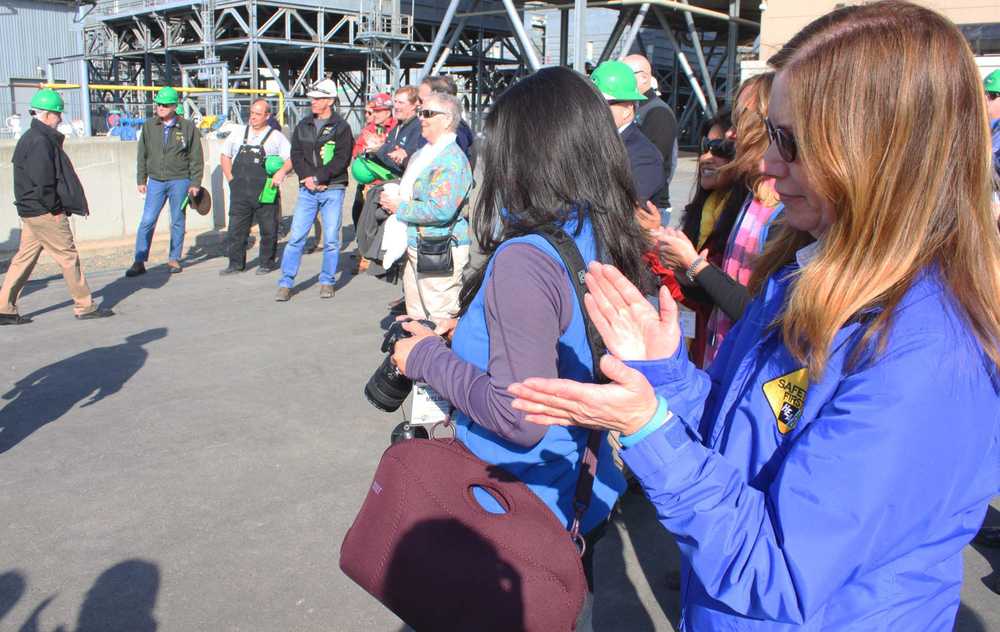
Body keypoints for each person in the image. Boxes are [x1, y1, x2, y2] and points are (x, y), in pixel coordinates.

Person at [508, 2, 1000, 629]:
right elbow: (746, 437)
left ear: (880, 154)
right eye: (771, 137)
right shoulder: (809, 272)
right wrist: (665, 377)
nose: (766, 164)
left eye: (791, 144)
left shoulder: (928, 357)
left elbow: (778, 572)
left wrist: (648, 430)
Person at [389, 66, 655, 628]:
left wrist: (427, 358)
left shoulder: (526, 258)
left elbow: (520, 414)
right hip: (583, 490)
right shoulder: (605, 228)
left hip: (517, 504)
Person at [659, 73, 783, 366]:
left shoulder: (783, 207)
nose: (731, 134)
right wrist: (683, 269)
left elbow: (761, 313)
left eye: (742, 120)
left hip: (749, 364)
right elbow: (718, 295)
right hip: (721, 357)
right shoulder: (751, 197)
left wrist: (695, 265)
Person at [0, 89, 113, 323]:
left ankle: (4, 307)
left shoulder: (29, 138)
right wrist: (55, 209)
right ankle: (85, 306)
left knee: (24, 258)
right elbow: (44, 182)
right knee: (68, 256)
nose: (60, 119)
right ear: (48, 114)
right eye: (58, 114)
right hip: (45, 211)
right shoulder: (41, 141)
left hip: (30, 210)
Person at [378, 91, 473, 320]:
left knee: (440, 317)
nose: (421, 117)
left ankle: (442, 355)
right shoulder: (424, 154)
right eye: (420, 112)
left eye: (428, 113)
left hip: (439, 247)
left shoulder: (451, 160)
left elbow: (441, 210)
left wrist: (399, 206)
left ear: (448, 119)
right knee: (417, 314)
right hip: (418, 244)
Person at [276, 79, 353, 301]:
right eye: (312, 98)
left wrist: (320, 177)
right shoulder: (303, 125)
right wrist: (307, 178)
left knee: (330, 239)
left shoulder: (341, 127)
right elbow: (296, 154)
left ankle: (327, 280)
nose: (313, 101)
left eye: (318, 98)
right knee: (297, 237)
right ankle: (286, 282)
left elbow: (342, 159)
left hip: (332, 188)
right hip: (307, 189)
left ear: (329, 100)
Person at [127, 86, 204, 277]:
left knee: (177, 220)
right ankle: (139, 260)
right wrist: (141, 178)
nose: (160, 107)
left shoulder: (187, 127)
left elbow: (196, 157)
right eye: (158, 104)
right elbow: (141, 154)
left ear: (173, 106)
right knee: (147, 220)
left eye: (164, 105)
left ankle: (174, 258)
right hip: (156, 181)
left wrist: (195, 182)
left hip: (180, 180)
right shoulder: (149, 126)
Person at [219, 99, 292, 275]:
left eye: (258, 114)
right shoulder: (238, 133)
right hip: (240, 189)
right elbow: (225, 155)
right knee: (236, 229)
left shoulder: (275, 137)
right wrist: (230, 179)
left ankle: (266, 262)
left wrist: (280, 173)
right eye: (252, 113)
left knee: (268, 228)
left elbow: (290, 159)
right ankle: (235, 264)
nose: (253, 117)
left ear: (267, 116)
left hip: (266, 189)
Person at [591, 60, 667, 208]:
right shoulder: (592, 142)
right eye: (590, 103)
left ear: (627, 109)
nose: (592, 111)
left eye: (601, 104)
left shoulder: (645, 156)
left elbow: (623, 209)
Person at [623, 54, 678, 220]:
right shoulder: (640, 108)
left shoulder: (657, 112)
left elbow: (654, 162)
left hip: (649, 208)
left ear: (644, 78)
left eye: (626, 74)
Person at [416, 75, 475, 160]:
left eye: (421, 100)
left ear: (442, 99)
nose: (417, 103)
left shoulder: (456, 134)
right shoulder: (435, 129)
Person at [371, 86, 422, 176]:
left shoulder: (417, 128)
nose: (396, 106)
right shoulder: (398, 127)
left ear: (413, 106)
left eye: (401, 103)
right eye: (395, 102)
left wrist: (380, 149)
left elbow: (406, 162)